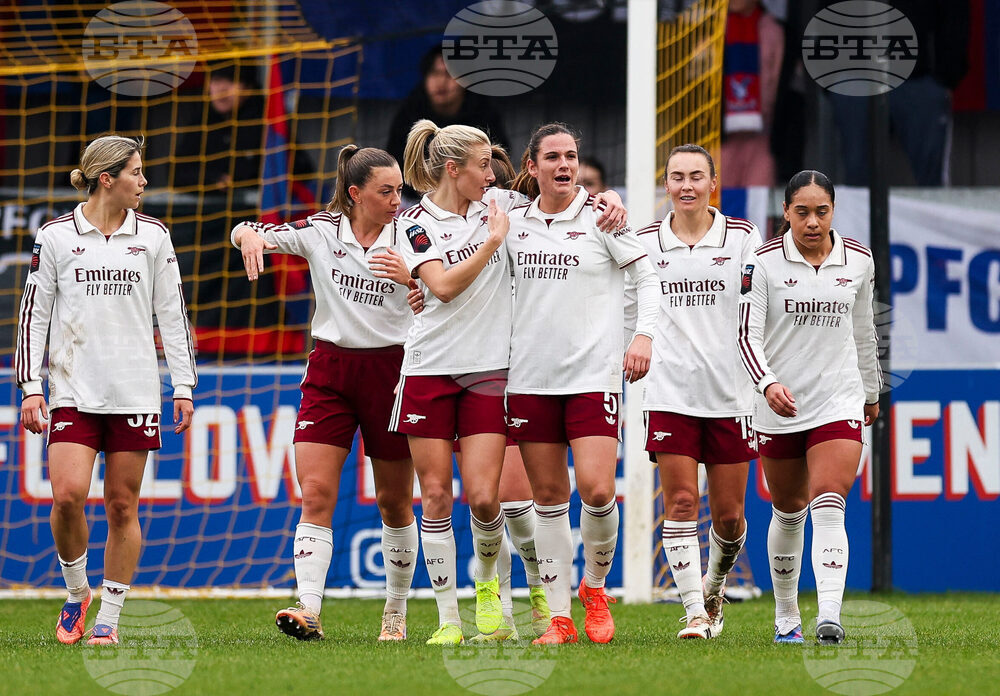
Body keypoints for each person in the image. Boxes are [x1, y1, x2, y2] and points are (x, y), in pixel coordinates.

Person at [231, 146, 418, 642]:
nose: (397, 199)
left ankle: (395, 613)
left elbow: (442, 283)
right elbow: (249, 231)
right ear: (355, 194)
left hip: (394, 371)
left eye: (399, 189)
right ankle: (309, 608)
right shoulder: (322, 230)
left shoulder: (415, 235)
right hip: (330, 370)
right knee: (315, 494)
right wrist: (247, 236)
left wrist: (416, 280)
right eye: (386, 191)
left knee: (394, 503)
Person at [16, 134, 197, 646]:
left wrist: (182, 384)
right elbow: (34, 317)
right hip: (73, 388)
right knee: (68, 496)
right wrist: (32, 388)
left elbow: (173, 316)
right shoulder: (54, 236)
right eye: (137, 172)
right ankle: (77, 593)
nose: (145, 181)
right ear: (107, 179)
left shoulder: (154, 237)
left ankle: (108, 621)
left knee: (122, 506)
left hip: (136, 392)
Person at [505, 123, 660, 645]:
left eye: (571, 155)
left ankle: (594, 590)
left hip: (593, 377)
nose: (564, 165)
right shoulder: (510, 222)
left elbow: (649, 276)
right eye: (552, 157)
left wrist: (642, 337)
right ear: (532, 167)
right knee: (548, 500)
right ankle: (558, 618)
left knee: (596, 491)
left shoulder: (603, 215)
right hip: (529, 378)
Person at [738, 170, 882, 644]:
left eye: (822, 211)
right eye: (802, 212)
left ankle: (830, 616)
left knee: (828, 502)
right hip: (778, 405)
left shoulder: (858, 260)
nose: (813, 222)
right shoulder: (761, 263)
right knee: (788, 509)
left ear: (833, 211)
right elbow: (746, 335)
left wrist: (871, 391)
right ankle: (784, 617)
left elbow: (864, 332)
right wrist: (767, 383)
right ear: (786, 212)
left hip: (838, 398)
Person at [630, 144, 761, 639]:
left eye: (696, 176)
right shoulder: (643, 243)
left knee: (729, 518)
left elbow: (760, 310)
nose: (686, 185)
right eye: (677, 177)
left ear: (712, 183)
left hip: (731, 395)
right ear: (667, 184)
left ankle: (715, 584)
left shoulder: (743, 238)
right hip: (669, 394)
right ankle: (694, 612)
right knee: (681, 503)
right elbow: (624, 305)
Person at [386, 46, 509, 201]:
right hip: (415, 197)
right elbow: (395, 161)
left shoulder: (483, 110)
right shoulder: (411, 110)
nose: (441, 82)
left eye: (449, 74)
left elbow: (498, 157)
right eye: (434, 73)